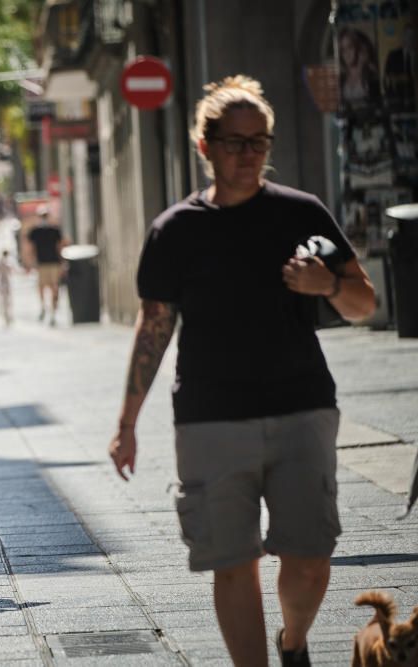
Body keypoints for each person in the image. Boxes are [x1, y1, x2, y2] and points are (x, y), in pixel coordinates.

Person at [107, 76, 376, 667]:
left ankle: (294, 641)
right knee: (233, 563)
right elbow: (154, 326)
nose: (249, 154)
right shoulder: (175, 230)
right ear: (205, 146)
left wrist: (327, 284)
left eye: (259, 142)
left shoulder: (302, 214)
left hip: (301, 406)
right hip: (210, 415)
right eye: (235, 142)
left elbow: (365, 303)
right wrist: (127, 422)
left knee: (309, 558)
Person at [27, 206, 66, 326]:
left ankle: (47, 309)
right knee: (52, 287)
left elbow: (31, 248)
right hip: (51, 262)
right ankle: (49, 310)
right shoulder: (53, 229)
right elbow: (60, 246)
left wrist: (31, 262)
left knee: (45, 287)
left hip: (44, 263)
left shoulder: (36, 230)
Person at [338, 27, 381, 110]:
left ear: (357, 47)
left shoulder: (370, 74)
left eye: (350, 47)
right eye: (343, 50)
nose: (347, 53)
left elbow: (377, 104)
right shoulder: (341, 78)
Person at [0, 249, 15, 326]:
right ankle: (7, 316)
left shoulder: (1, 262)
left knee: (4, 301)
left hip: (3, 282)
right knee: (7, 301)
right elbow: (10, 270)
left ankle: (7, 316)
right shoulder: (6, 262)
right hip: (5, 283)